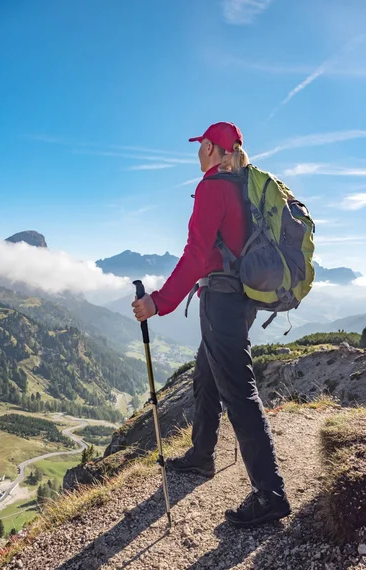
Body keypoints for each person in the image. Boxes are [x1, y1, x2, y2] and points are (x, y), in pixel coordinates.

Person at [132, 122, 291, 527]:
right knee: (206, 374)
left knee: (237, 391)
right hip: (244, 298)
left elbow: (196, 254)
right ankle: (202, 454)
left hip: (221, 299)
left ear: (215, 150)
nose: (198, 150)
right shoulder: (243, 186)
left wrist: (158, 302)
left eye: (203, 144)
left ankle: (269, 494)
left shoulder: (212, 188)